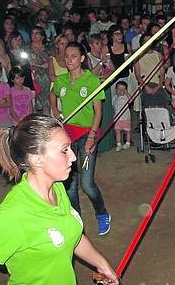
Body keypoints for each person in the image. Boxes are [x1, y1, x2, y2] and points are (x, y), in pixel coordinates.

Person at [0, 114, 119, 285]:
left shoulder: (57, 189)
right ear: (36, 159)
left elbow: (72, 235)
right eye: (64, 150)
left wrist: (103, 265)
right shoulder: (13, 216)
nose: (74, 157)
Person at [50, 42, 111, 235]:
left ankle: (102, 213)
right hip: (66, 138)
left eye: (74, 56)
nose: (69, 60)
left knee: (87, 184)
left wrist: (92, 137)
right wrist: (55, 109)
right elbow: (52, 95)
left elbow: (98, 112)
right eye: (67, 56)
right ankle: (78, 225)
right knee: (70, 185)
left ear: (82, 59)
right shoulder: (61, 81)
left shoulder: (91, 80)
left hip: (86, 135)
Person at [112, 81, 132, 152]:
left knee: (127, 131)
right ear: (116, 89)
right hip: (117, 118)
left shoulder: (126, 97)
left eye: (123, 89)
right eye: (119, 89)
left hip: (125, 118)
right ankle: (119, 144)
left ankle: (128, 143)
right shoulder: (114, 98)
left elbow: (131, 100)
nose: (120, 91)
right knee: (117, 131)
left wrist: (126, 93)